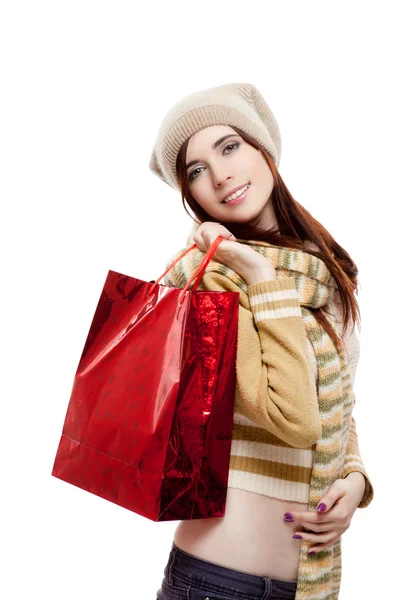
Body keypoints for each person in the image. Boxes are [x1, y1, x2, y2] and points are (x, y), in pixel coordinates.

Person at [149, 83, 374, 600]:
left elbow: (337, 405)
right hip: (214, 582)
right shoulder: (213, 282)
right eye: (196, 170)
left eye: (229, 147)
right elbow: (295, 418)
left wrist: (356, 480)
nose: (220, 173)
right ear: (191, 196)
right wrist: (254, 271)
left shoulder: (324, 279)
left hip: (304, 583)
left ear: (264, 152)